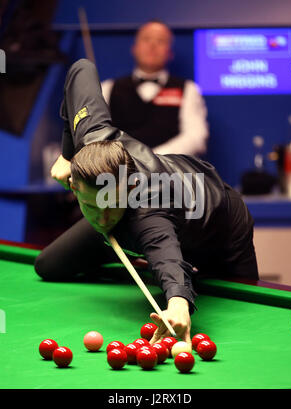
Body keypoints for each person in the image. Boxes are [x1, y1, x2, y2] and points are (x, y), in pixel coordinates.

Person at [35, 59, 258, 346]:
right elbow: (82, 69)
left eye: (109, 207)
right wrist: (68, 153)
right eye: (90, 206)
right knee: (48, 266)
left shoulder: (147, 212)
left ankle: (138, 252)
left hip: (218, 226)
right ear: (75, 188)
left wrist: (178, 303)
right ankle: (126, 248)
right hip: (128, 212)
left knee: (247, 305)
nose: (101, 220)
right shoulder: (92, 138)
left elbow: (165, 254)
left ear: (130, 187)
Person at [101, 20, 209, 156]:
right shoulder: (107, 88)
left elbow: (196, 137)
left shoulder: (188, 89)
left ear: (169, 52)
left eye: (161, 41)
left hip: (170, 173)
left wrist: (153, 158)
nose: (152, 45)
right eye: (146, 39)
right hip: (118, 172)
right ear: (134, 48)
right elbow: (95, 134)